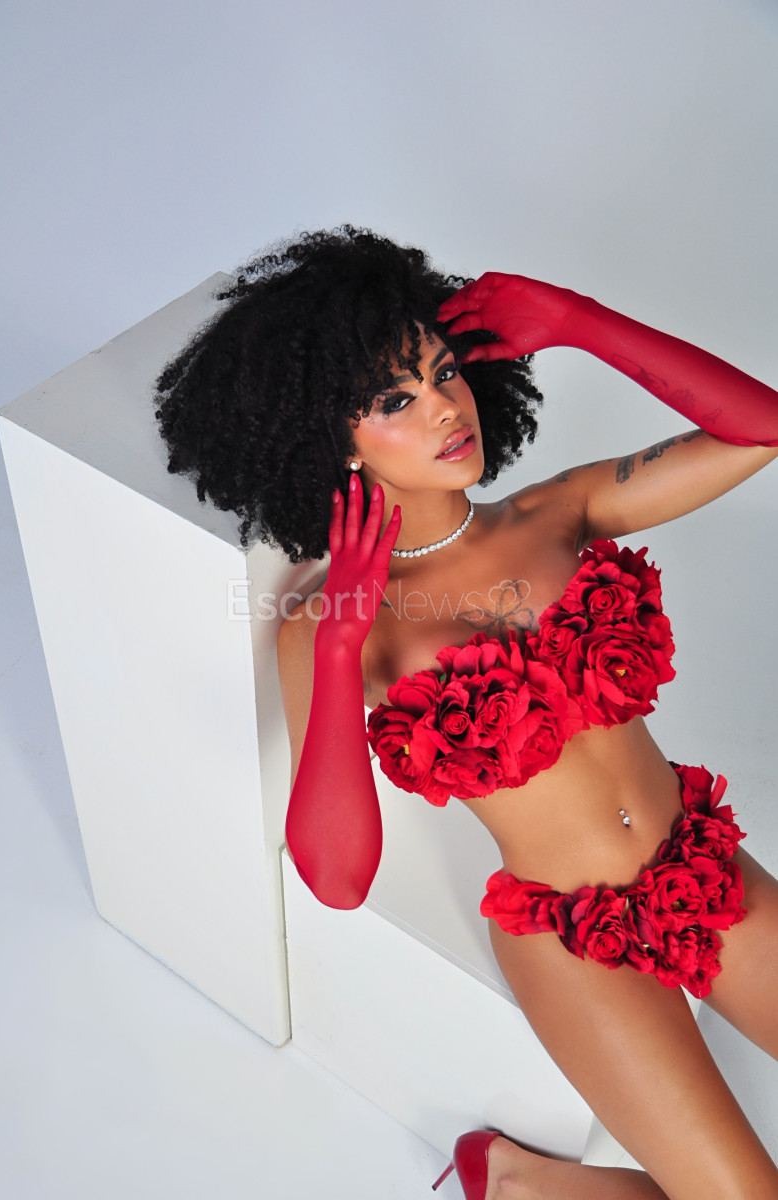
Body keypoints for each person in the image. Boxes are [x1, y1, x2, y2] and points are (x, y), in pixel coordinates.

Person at [154, 226, 778, 1200]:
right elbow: (336, 877)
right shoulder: (330, 626)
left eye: (443, 373)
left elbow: (760, 430)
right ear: (330, 440)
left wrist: (576, 319)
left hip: (698, 867)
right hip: (571, 943)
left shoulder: (557, 512)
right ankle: (523, 1180)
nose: (445, 407)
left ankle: (516, 1180)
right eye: (394, 399)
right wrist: (334, 651)